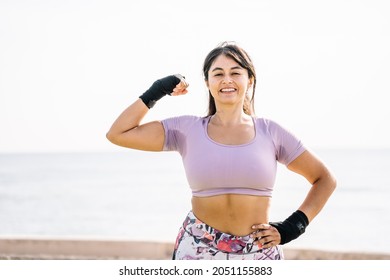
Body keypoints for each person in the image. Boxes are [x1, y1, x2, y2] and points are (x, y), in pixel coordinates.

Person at [106, 42, 337, 260]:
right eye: (218, 74)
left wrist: (292, 227)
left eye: (235, 72)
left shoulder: (271, 132)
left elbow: (325, 179)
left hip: (258, 251)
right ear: (207, 82)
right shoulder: (186, 129)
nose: (227, 80)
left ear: (250, 80)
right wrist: (157, 90)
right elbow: (118, 133)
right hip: (197, 249)